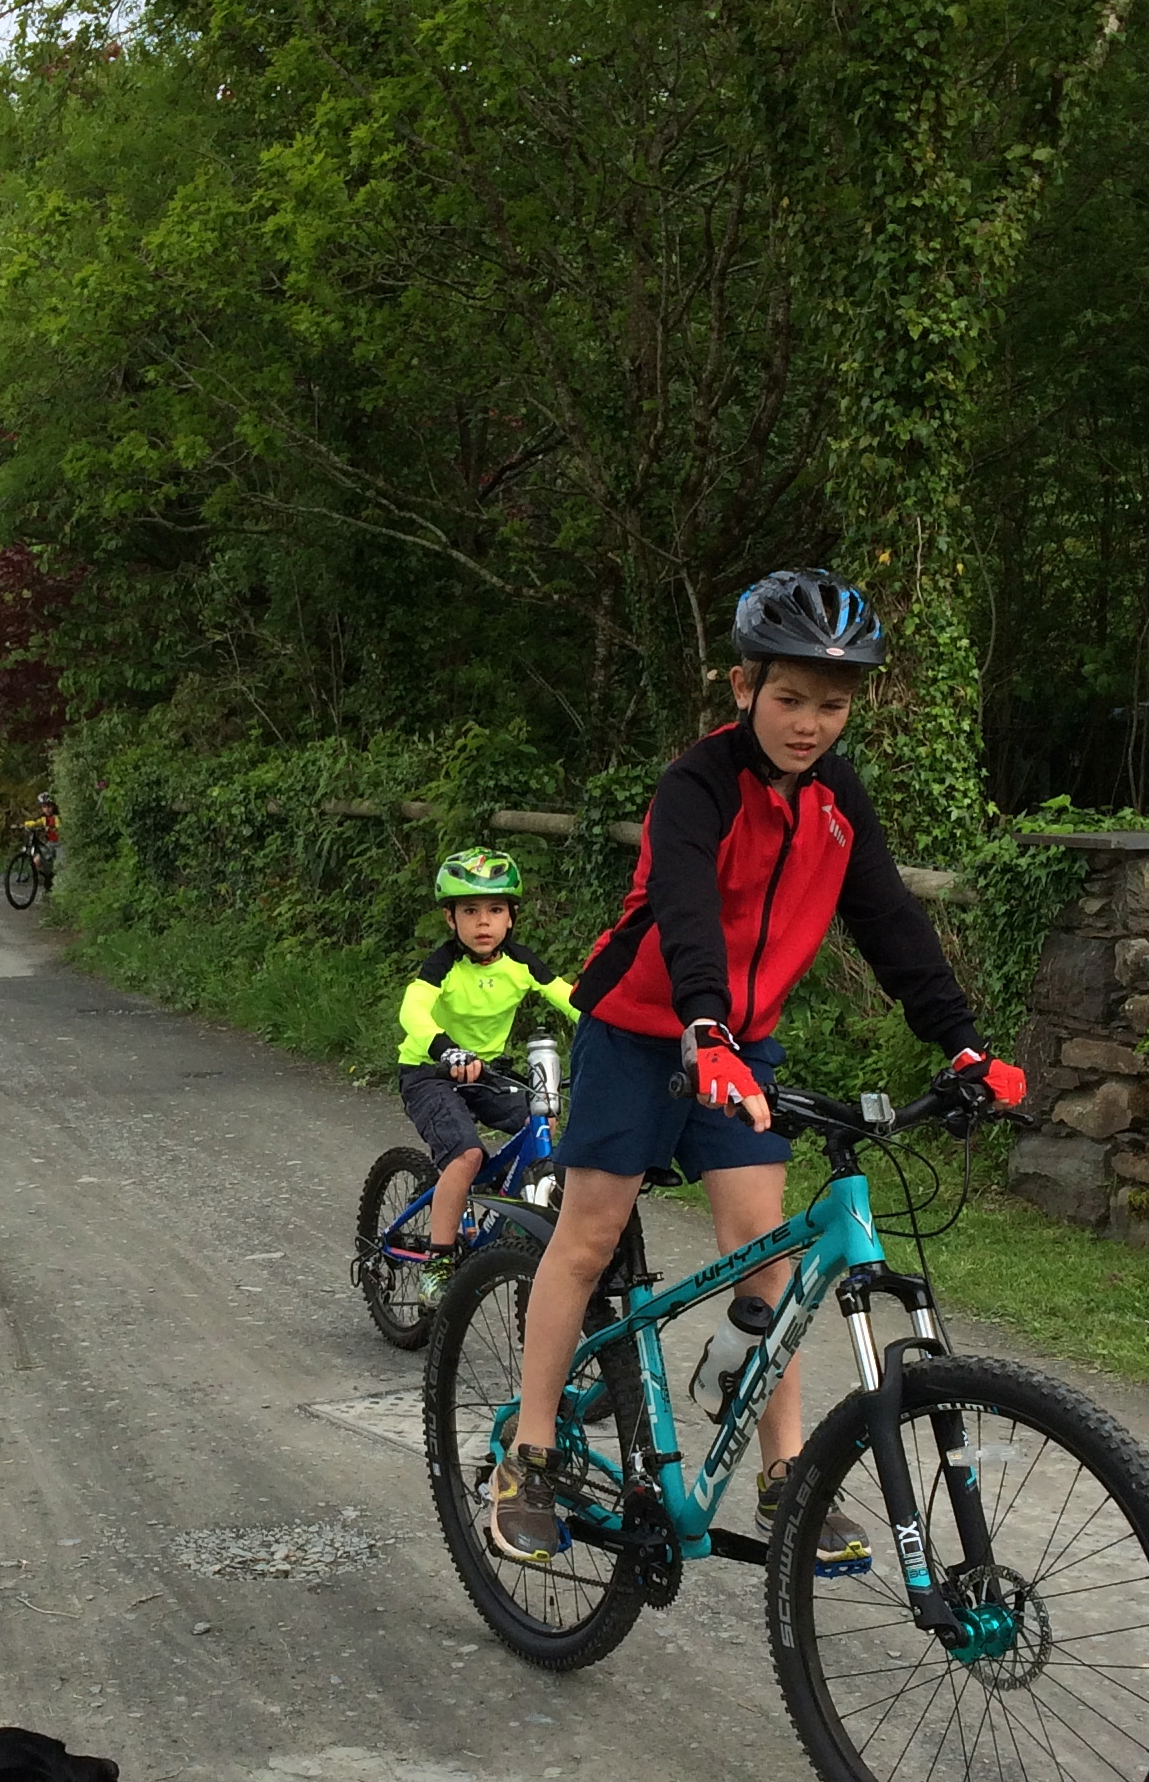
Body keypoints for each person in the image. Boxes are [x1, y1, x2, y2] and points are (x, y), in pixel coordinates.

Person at [485, 566, 1026, 1573]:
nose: (809, 723)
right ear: (744, 690)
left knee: (770, 1254)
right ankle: (531, 1453)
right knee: (590, 1233)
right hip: (648, 1027)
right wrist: (701, 1026)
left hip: (741, 1043)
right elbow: (687, 910)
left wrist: (961, 1039)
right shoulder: (697, 784)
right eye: (789, 698)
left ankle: (788, 1478)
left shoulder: (835, 798)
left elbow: (889, 921)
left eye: (832, 705)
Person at [396, 848, 579, 1292]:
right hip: (430, 1071)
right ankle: (438, 1264)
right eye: (470, 910)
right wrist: (445, 1049)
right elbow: (413, 1011)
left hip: (488, 1073)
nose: (483, 922)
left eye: (495, 910)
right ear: (450, 918)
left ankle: (508, 1216)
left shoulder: (520, 962)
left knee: (543, 1121)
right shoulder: (443, 965)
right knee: (466, 1154)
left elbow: (572, 1000)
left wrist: (622, 1037)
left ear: (511, 918)